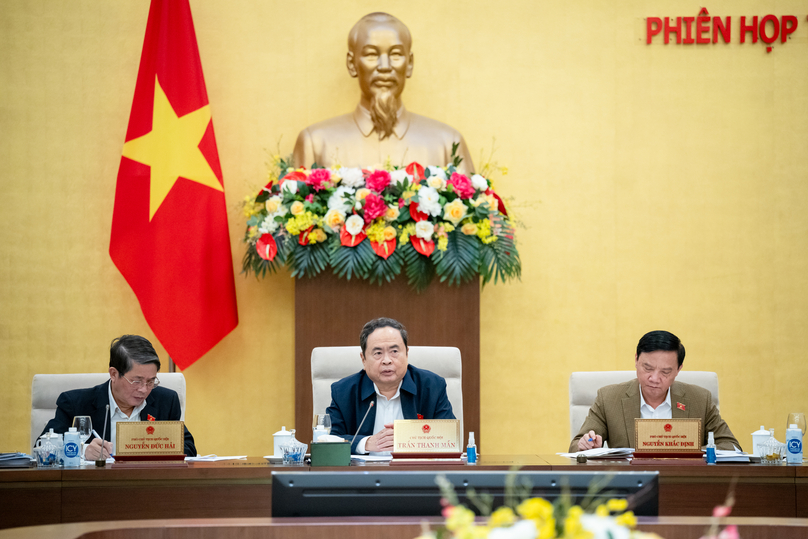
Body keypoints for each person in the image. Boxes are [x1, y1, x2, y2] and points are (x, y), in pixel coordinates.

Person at [293, 12, 474, 172]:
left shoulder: (447, 144)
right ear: (352, 64)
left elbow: (478, 208)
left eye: (396, 54)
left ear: (409, 64)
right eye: (371, 54)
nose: (385, 67)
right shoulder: (315, 143)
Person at [570, 330, 740, 452]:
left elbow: (730, 446)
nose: (654, 378)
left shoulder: (700, 399)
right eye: (648, 368)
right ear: (636, 360)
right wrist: (587, 444)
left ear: (678, 369)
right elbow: (576, 445)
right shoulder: (608, 398)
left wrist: (689, 452)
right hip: (632, 488)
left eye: (665, 372)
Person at [42, 335, 197, 458]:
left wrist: (159, 448)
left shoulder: (166, 401)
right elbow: (45, 447)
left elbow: (188, 448)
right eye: (136, 381)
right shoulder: (76, 403)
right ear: (114, 374)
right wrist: (82, 451)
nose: (144, 390)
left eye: (151, 381)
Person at [327, 317, 455, 454]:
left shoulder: (432, 387)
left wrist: (409, 438)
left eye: (394, 352)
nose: (387, 361)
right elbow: (327, 442)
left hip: (415, 472)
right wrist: (365, 443)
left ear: (406, 354)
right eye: (378, 353)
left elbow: (449, 437)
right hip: (363, 474)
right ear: (363, 359)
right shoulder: (343, 392)